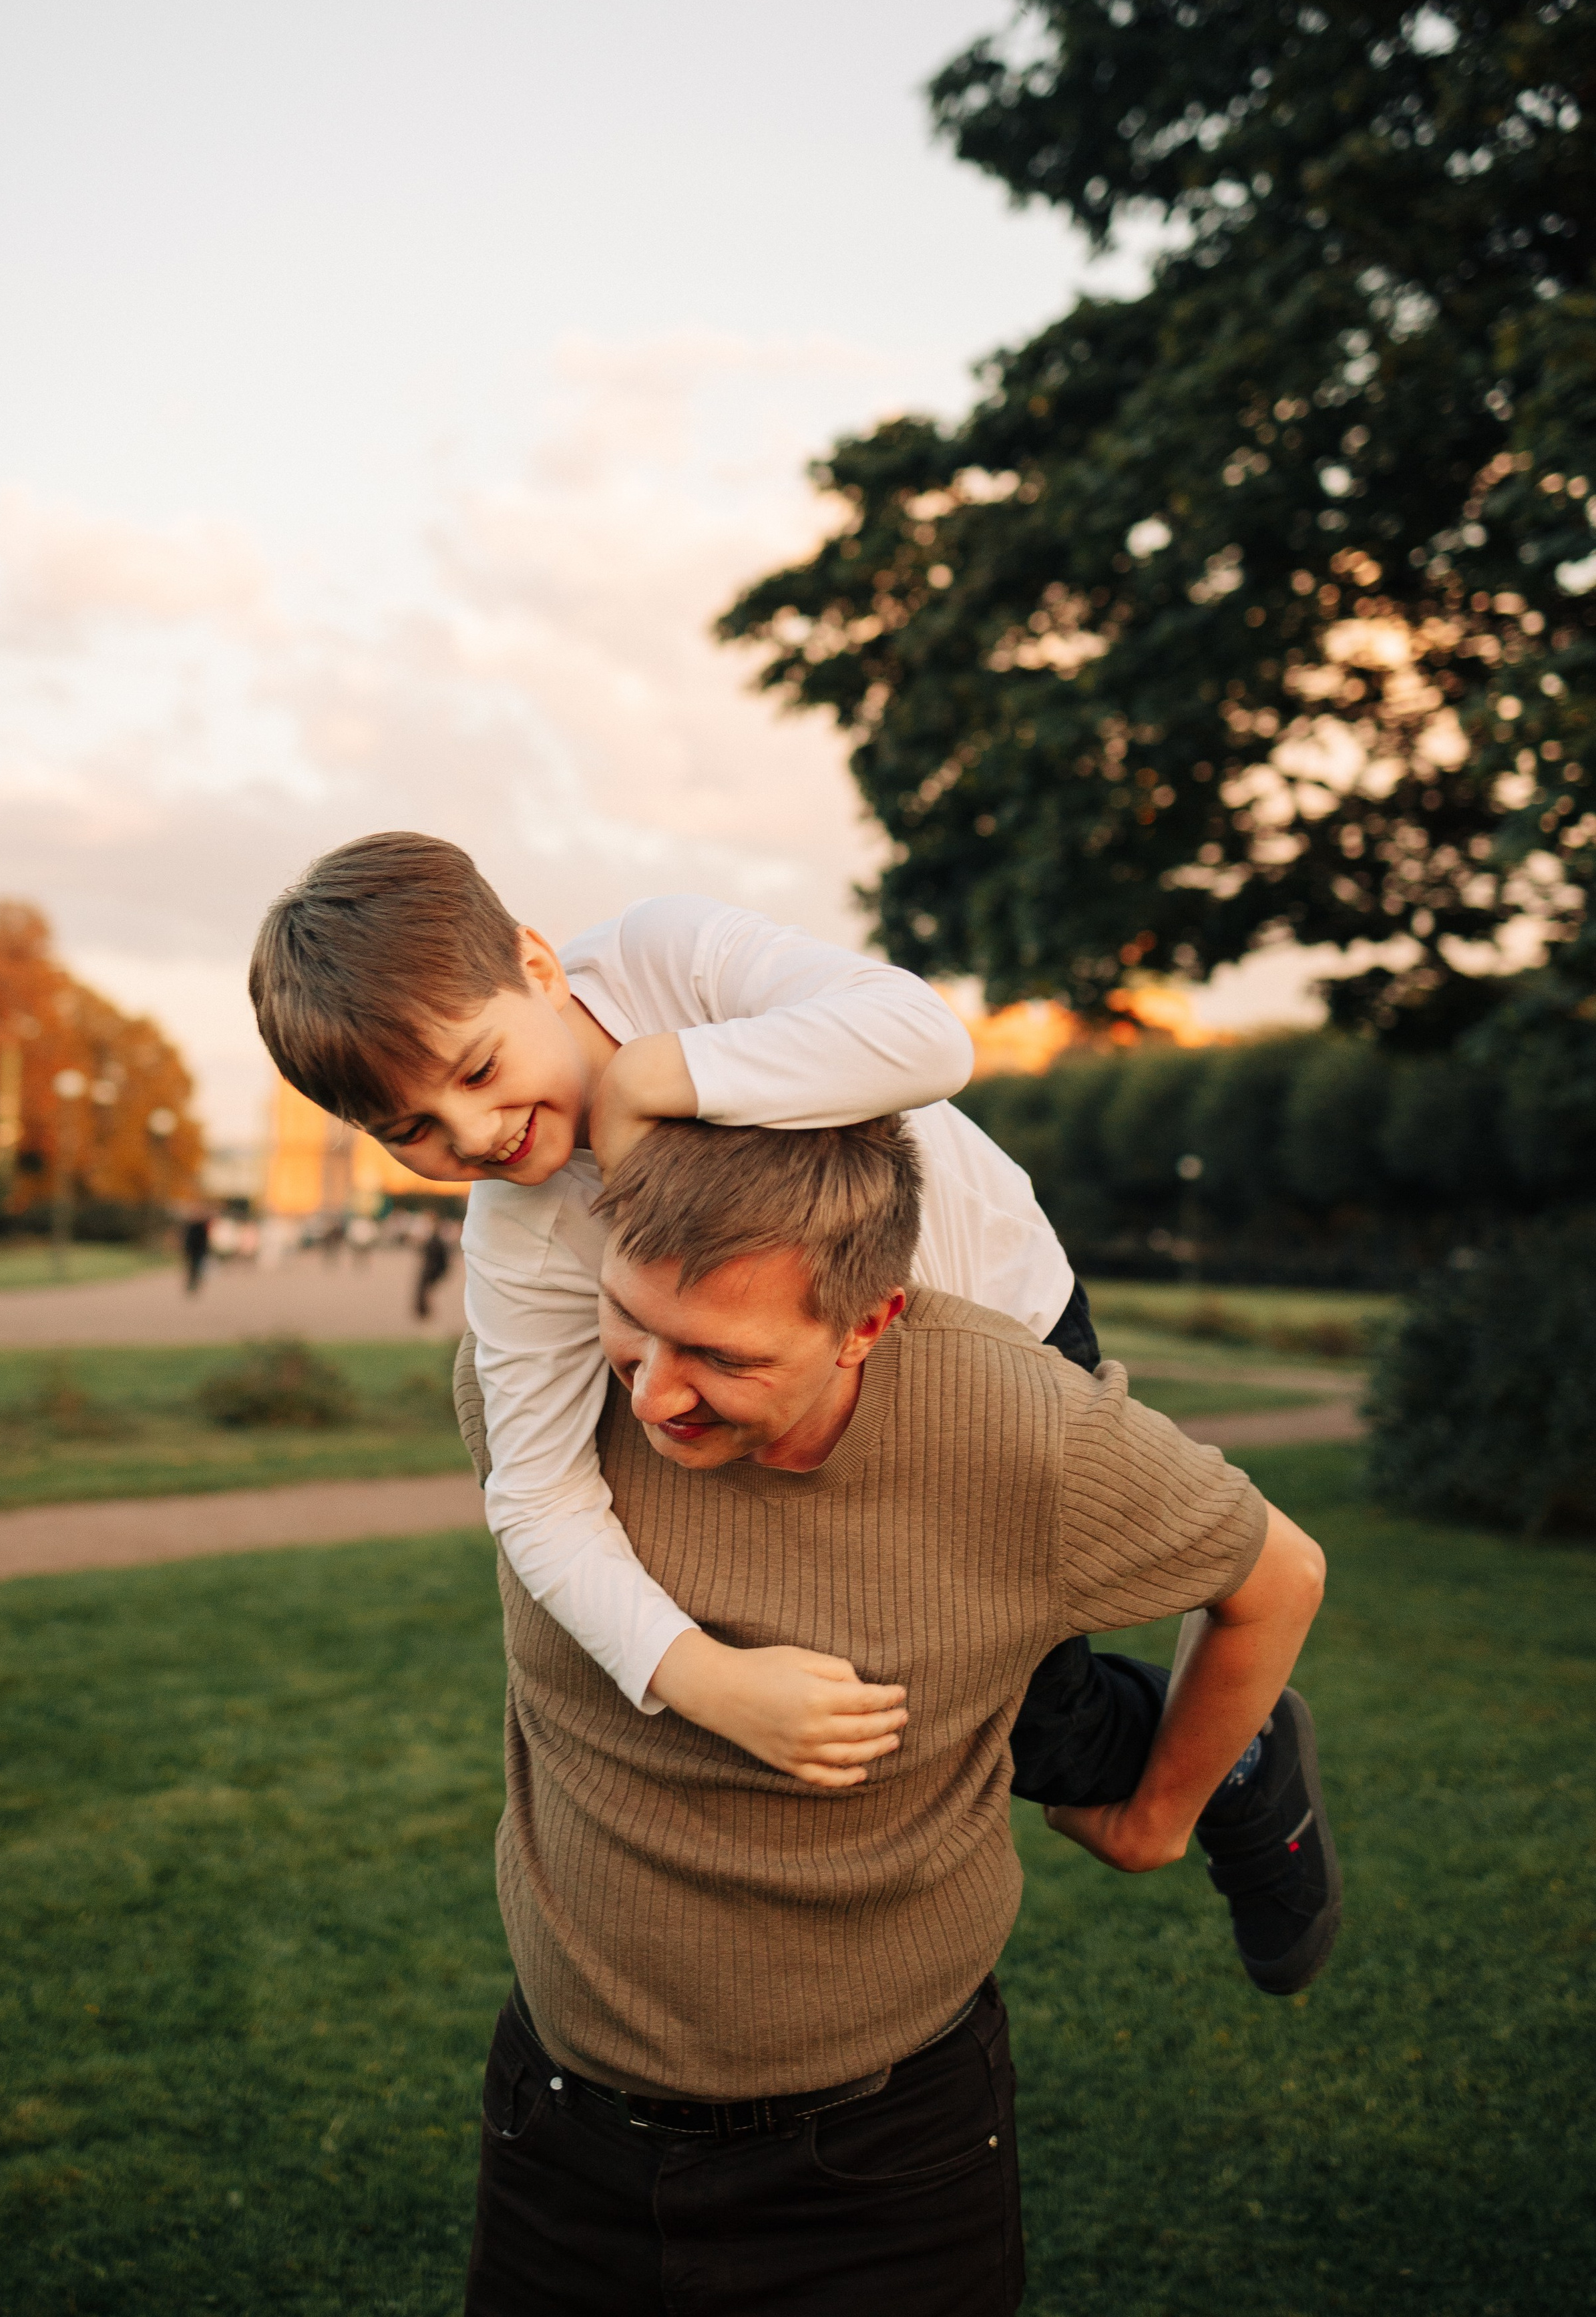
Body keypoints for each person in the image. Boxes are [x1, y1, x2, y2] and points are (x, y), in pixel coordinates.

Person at [249, 831, 1340, 1991]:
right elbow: (536, 1492)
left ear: (535, 962)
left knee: (1035, 1719)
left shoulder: (669, 957)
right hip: (795, 1396)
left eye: (473, 1073)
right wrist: (701, 1678)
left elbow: (924, 1038)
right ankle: (1174, 1751)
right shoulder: (518, 1233)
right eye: (408, 1131)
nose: (470, 1140)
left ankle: (1241, 1763)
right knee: (964, 1710)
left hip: (993, 1321)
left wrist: (652, 1081)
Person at [452, 1116, 1334, 2316]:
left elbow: (1278, 1576)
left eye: (719, 1354)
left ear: (870, 1320)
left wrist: (1155, 1816)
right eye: (629, 1321)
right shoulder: (534, 1384)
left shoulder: (1025, 1431)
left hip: (880, 2170)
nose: (653, 1392)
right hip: (560, 2136)